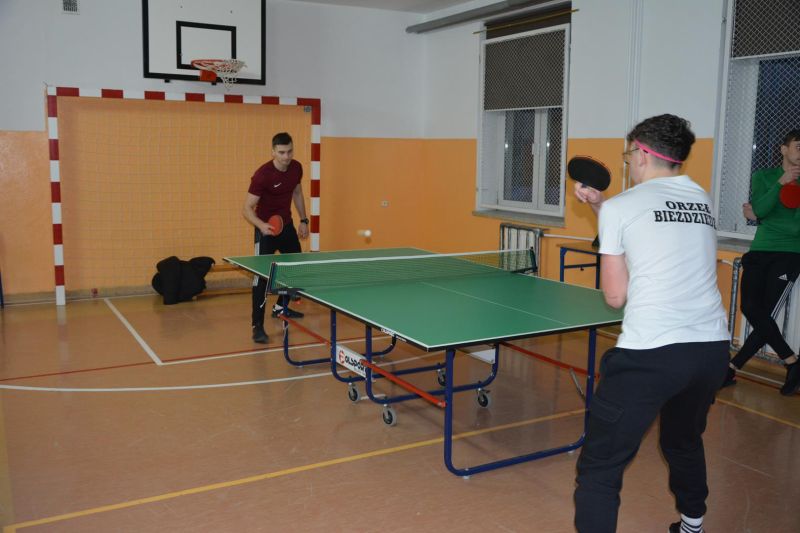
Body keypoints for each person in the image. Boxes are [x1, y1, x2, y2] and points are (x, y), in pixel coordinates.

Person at [572, 114, 730, 533]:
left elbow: (615, 297)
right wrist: (603, 207)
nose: (628, 162)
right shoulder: (701, 199)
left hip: (651, 354)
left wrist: (608, 212)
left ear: (642, 153)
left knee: (601, 465)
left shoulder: (622, 207)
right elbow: (655, 225)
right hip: (711, 350)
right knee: (682, 440)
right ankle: (692, 525)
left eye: (629, 154)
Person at [723, 130, 800, 395]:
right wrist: (780, 183)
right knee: (751, 308)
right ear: (783, 149)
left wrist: (760, 216)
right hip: (759, 252)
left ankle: (731, 368)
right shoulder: (763, 177)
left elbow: (793, 227)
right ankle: (793, 362)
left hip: (789, 255)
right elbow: (761, 208)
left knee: (764, 314)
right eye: (798, 147)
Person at [243, 132, 310, 344]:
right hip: (266, 231)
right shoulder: (262, 175)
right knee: (261, 279)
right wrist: (261, 225)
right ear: (273, 152)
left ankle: (281, 306)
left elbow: (297, 193)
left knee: (295, 268)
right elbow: (247, 208)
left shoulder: (296, 168)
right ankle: (257, 326)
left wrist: (304, 220)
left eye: (289, 151)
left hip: (286, 226)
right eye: (281, 152)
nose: (286, 156)